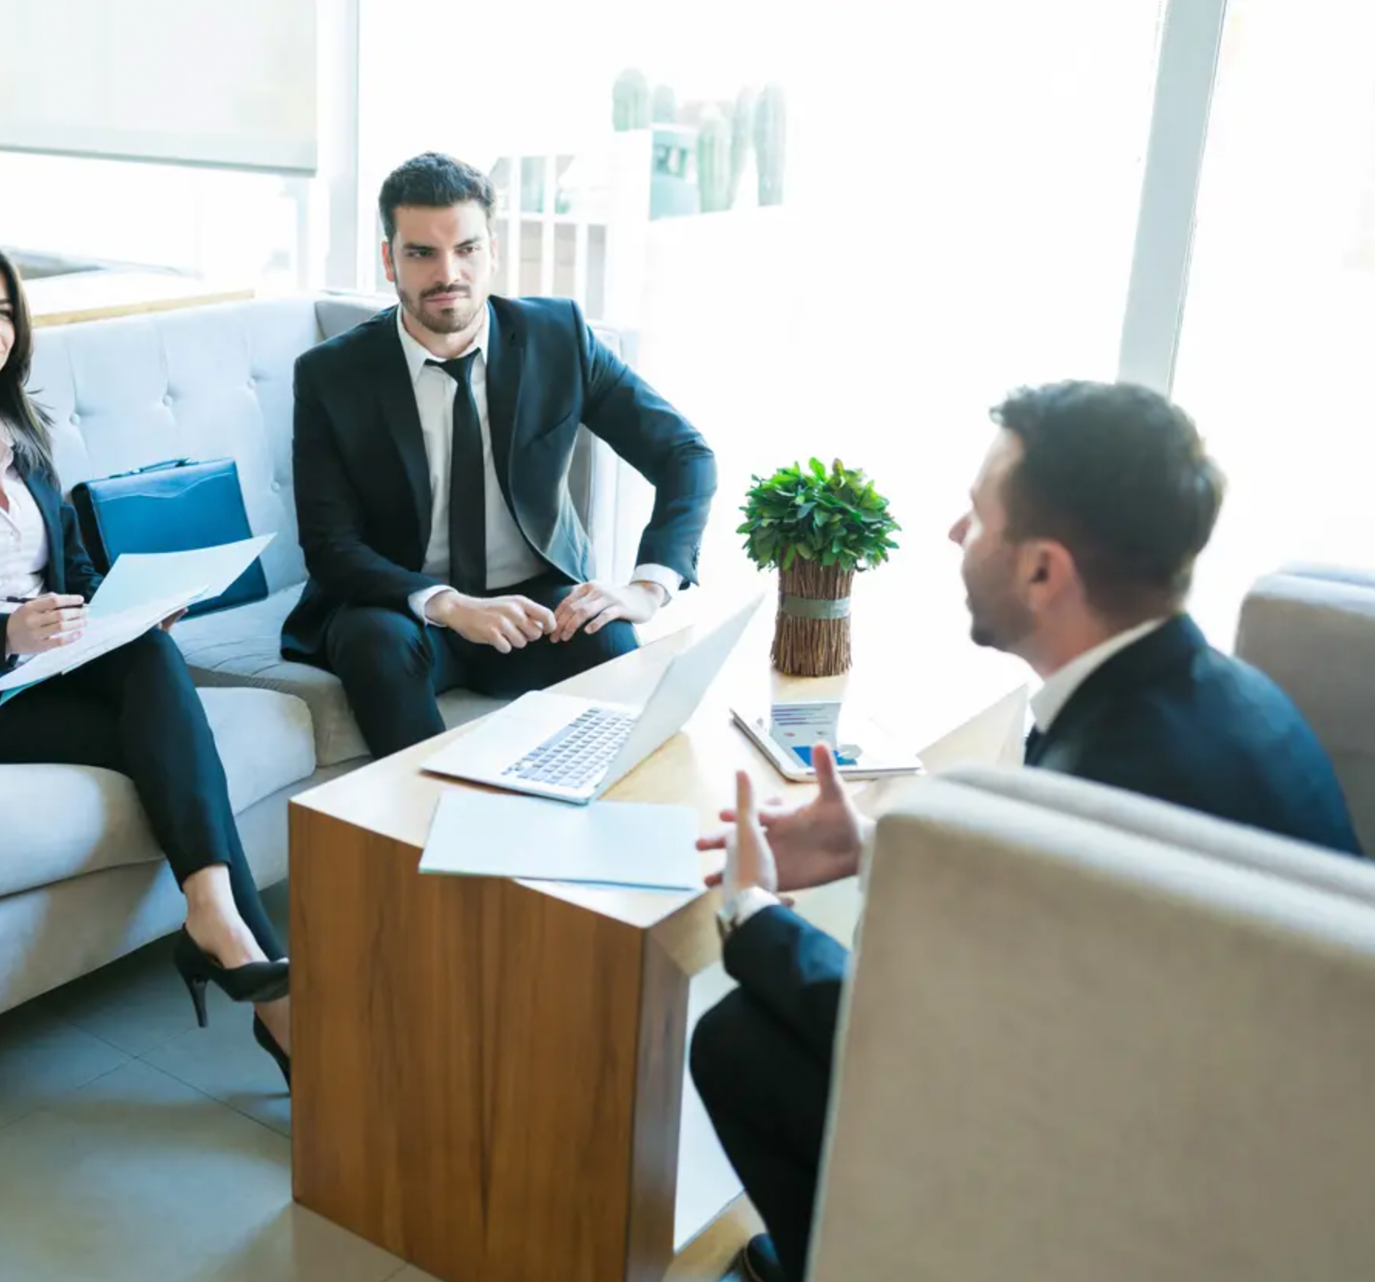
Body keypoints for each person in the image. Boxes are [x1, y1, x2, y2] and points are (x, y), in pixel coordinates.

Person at [689, 380, 1363, 1282]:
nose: (954, 536)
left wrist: (752, 912)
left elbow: (934, 1036)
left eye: (977, 515)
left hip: (1145, 1190)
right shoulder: (1212, 695)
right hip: (1259, 1128)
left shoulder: (1110, 795)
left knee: (738, 1042)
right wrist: (872, 843)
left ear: (1044, 570)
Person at [0, 229, 293, 1085]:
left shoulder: (21, 431)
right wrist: (1, 633)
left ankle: (218, 925)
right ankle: (269, 995)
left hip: (53, 661)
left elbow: (70, 575)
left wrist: (134, 604)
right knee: (172, 748)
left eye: (3, 310)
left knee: (151, 659)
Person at [281, 152, 718, 756]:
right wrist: (449, 605)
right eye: (421, 253)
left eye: (466, 249)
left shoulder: (557, 337)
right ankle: (423, 829)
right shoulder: (332, 374)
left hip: (535, 602)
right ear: (389, 260)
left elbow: (684, 455)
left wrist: (647, 587)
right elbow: (331, 545)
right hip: (405, 608)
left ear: (492, 250)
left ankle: (584, 831)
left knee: (611, 641)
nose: (448, 273)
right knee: (372, 641)